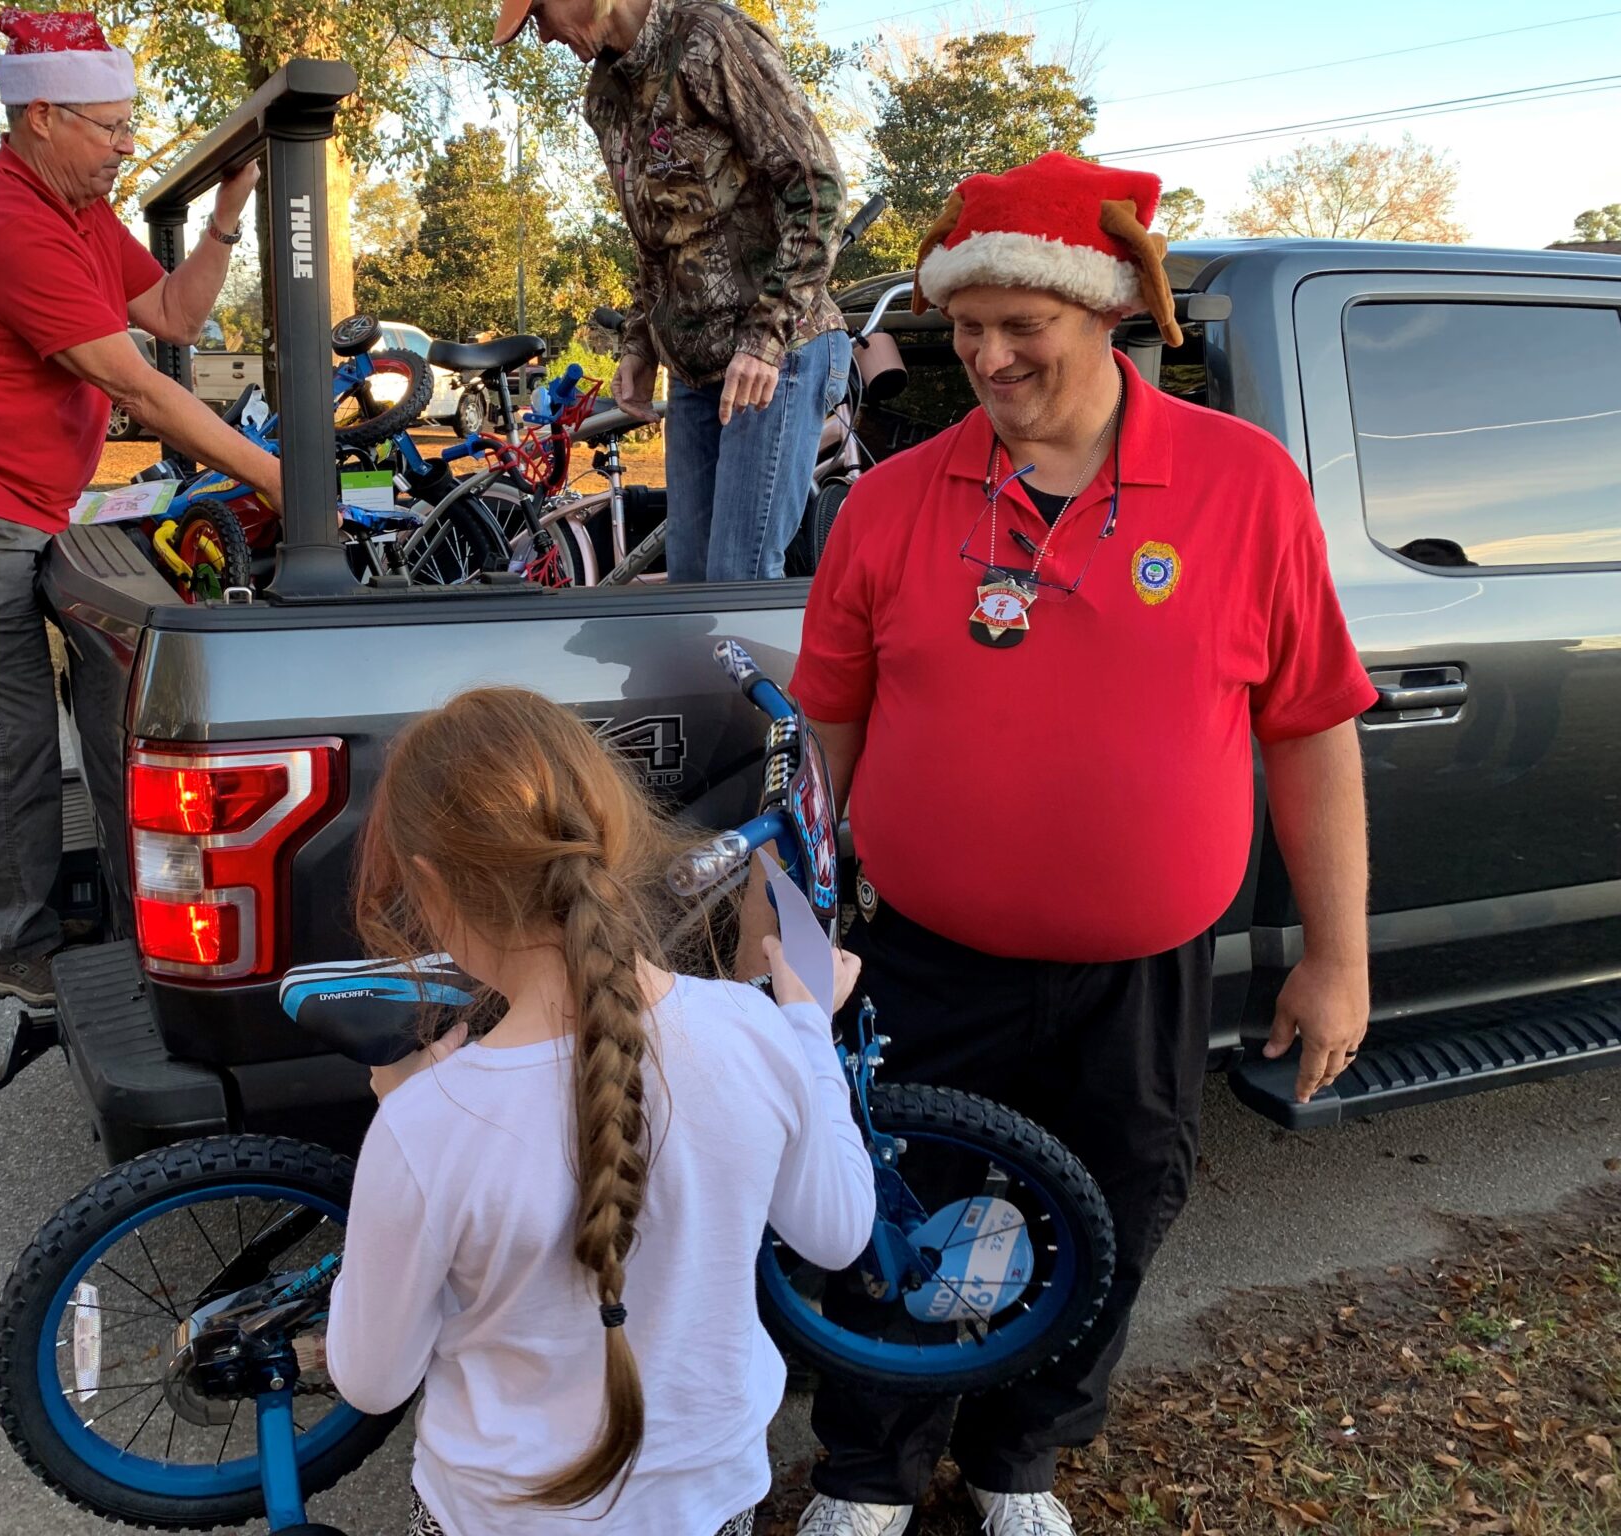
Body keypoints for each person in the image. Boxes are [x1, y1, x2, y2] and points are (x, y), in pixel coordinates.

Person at [784, 153, 1378, 1536]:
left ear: (1104, 311)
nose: (986, 356)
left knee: (1112, 1211)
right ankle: (871, 1470)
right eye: (965, 324)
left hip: (1144, 966)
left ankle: (1018, 1460)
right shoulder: (892, 502)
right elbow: (827, 727)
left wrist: (1337, 956)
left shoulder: (1243, 485)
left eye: (1020, 325)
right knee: (904, 1212)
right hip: (925, 959)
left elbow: (1311, 728)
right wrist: (801, 917)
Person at [323, 687, 876, 1535]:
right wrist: (808, 1031)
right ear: (610, 835)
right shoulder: (754, 1033)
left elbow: (370, 1380)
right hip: (712, 1503)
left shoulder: (425, 1125)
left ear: (429, 886)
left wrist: (401, 1115)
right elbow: (838, 1233)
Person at [0, 7, 285, 1007]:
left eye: (131, 127)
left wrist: (226, 211)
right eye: (110, 128)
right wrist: (272, 478)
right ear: (40, 116)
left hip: (4, 503)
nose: (126, 148)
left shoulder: (78, 214)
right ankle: (7, 945)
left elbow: (175, 317)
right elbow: (137, 385)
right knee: (5, 735)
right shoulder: (9, 224)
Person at [494, 0, 851, 583]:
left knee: (737, 579)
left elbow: (817, 188)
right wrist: (639, 343)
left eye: (538, 18)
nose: (544, 38)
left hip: (775, 357)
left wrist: (765, 338)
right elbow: (653, 238)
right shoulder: (605, 96)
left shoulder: (709, 39)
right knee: (685, 584)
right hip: (693, 372)